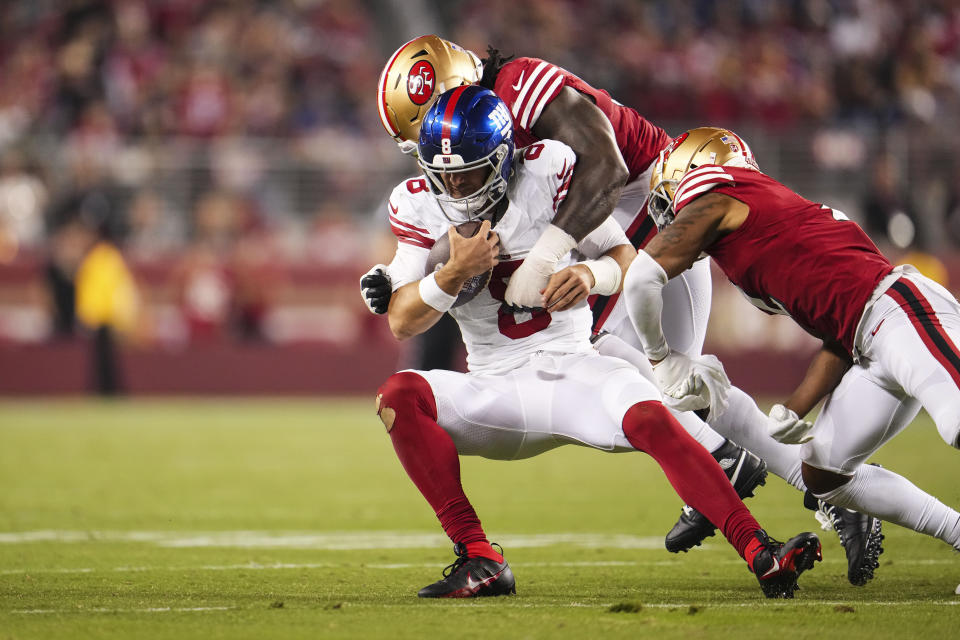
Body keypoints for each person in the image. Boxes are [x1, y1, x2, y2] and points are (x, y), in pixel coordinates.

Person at [361, 34, 880, 579]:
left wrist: (549, 261)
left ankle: (784, 478)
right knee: (681, 392)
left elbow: (605, 172)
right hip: (621, 228)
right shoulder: (474, 164)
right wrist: (398, 276)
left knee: (665, 387)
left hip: (662, 215)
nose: (440, 153)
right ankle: (759, 470)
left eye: (436, 124)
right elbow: (411, 280)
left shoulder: (522, 97)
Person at [622, 125, 960, 564]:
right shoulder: (748, 231)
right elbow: (839, 332)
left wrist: (661, 357)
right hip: (865, 344)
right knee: (825, 475)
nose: (668, 211)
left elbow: (642, 276)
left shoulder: (720, 193)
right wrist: (795, 408)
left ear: (694, 168)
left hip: (901, 314)